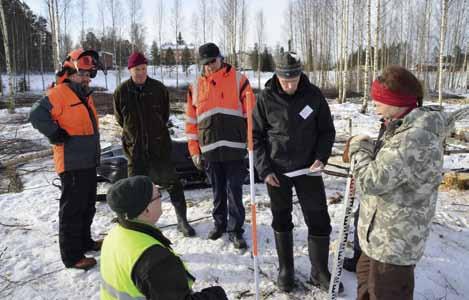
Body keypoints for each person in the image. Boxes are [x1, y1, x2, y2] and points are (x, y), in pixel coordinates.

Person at [343, 65, 467, 300]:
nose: (374, 105)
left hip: (394, 244)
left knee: (385, 292)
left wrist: (359, 147)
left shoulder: (415, 137)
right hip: (377, 237)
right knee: (366, 288)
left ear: (395, 100)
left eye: (378, 100)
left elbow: (372, 180)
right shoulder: (400, 125)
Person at [252, 52, 343, 293]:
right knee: (281, 218)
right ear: (277, 76)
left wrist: (321, 158)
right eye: (285, 80)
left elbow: (326, 131)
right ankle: (286, 270)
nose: (290, 85)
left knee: (319, 219)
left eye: (294, 79)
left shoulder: (313, 96)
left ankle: (320, 271)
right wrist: (264, 169)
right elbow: (256, 137)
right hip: (277, 172)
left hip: (308, 170)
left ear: (301, 74)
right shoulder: (265, 98)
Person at [29, 48, 102, 270]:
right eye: (83, 74)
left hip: (88, 161)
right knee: (72, 210)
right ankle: (72, 256)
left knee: (88, 205)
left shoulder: (83, 94)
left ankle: (84, 242)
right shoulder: (58, 93)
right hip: (71, 163)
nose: (86, 79)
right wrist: (54, 132)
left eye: (89, 75)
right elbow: (35, 114)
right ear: (70, 72)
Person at [100, 176, 228, 300]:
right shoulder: (156, 261)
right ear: (146, 210)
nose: (161, 199)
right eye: (158, 196)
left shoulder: (114, 234)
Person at [113, 52, 195, 237]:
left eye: (143, 69)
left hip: (159, 149)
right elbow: (120, 119)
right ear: (130, 70)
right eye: (137, 69)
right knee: (135, 190)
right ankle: (136, 226)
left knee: (173, 184)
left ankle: (182, 221)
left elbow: (164, 116)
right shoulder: (121, 92)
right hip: (135, 151)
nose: (141, 73)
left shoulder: (158, 89)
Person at [185, 42, 254, 249]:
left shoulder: (239, 80)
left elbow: (250, 115)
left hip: (235, 149)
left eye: (212, 62)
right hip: (210, 151)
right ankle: (219, 224)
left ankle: (235, 230)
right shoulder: (195, 86)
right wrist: (194, 150)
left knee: (234, 190)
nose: (209, 67)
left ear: (220, 58)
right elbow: (191, 122)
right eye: (205, 64)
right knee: (217, 191)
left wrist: (251, 143)